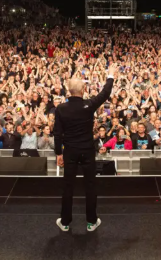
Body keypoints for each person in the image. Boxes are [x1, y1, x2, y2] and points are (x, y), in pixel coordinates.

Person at [54, 63, 116, 232]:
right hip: (87, 150)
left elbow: (57, 134)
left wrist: (59, 153)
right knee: (90, 185)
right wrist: (110, 75)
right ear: (82, 91)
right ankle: (91, 222)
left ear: (69, 91)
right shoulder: (89, 105)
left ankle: (65, 222)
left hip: (70, 151)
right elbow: (105, 93)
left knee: (68, 186)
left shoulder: (61, 108)